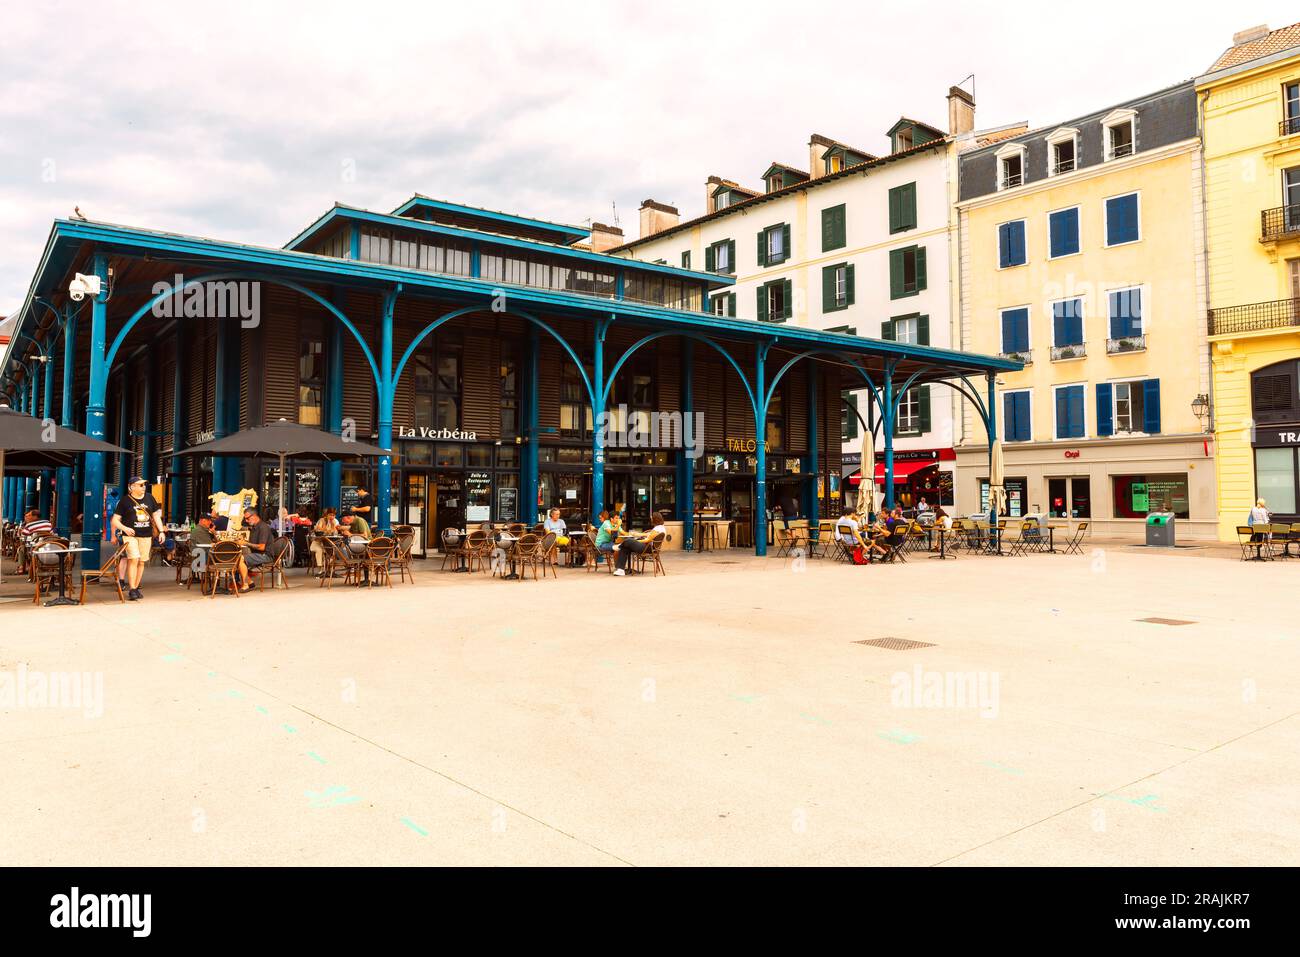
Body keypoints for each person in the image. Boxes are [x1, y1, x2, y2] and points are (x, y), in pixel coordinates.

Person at [110, 477, 165, 601]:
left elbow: (156, 516)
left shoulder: (150, 498)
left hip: (146, 535)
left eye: (144, 485)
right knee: (133, 559)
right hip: (130, 536)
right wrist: (125, 528)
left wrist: (161, 531)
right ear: (131, 487)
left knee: (141, 561)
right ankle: (132, 589)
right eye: (140, 485)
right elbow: (114, 520)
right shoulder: (125, 501)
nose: (143, 487)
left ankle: (135, 588)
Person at [614, 511, 668, 576]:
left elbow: (647, 540)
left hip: (647, 548)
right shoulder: (661, 527)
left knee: (628, 540)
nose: (651, 519)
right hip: (649, 547)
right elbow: (648, 534)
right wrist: (637, 534)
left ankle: (619, 546)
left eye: (652, 518)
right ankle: (620, 570)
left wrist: (636, 542)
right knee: (625, 547)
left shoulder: (657, 529)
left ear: (655, 519)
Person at [240, 508, 275, 591]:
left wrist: (246, 543)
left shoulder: (263, 527)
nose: (246, 520)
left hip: (265, 555)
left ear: (254, 516)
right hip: (258, 554)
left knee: (239, 558)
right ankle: (250, 582)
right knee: (235, 558)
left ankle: (245, 585)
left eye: (247, 518)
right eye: (245, 518)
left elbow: (262, 547)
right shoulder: (254, 527)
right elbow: (252, 543)